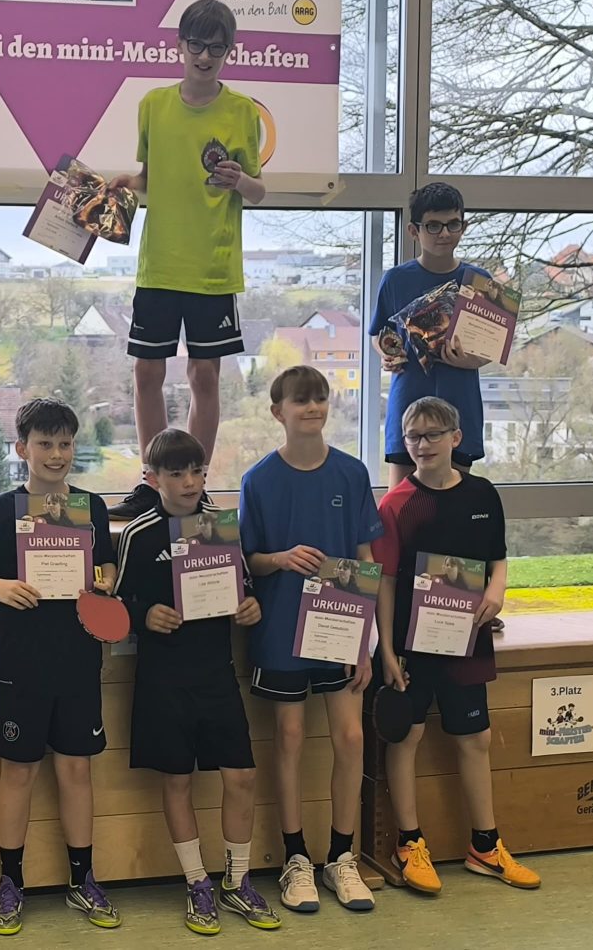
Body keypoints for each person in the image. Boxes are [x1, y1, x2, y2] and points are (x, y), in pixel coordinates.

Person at [0, 398, 121, 936]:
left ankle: (82, 879)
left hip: (78, 662)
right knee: (18, 771)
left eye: (65, 443)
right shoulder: (3, 509)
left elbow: (107, 566)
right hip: (20, 666)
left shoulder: (91, 507)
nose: (56, 454)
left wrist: (105, 582)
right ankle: (11, 882)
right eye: (45, 444)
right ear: (23, 448)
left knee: (76, 770)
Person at [114, 428, 280, 934]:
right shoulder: (139, 534)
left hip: (216, 675)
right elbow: (116, 605)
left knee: (242, 776)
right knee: (177, 780)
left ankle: (237, 881)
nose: (189, 482)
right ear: (152, 479)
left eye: (197, 471)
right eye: (177, 473)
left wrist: (250, 609)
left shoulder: (219, 527)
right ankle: (196, 884)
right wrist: (145, 615)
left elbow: (243, 590)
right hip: (163, 680)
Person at [372, 397, 540, 894]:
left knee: (476, 738)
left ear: (456, 438)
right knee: (406, 738)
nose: (422, 445)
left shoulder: (483, 494)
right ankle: (408, 843)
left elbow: (497, 557)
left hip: (466, 637)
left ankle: (485, 846)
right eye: (413, 437)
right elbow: (384, 582)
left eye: (433, 435)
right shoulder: (396, 505)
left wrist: (497, 590)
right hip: (411, 644)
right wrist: (387, 650)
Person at [108, 0, 266, 521]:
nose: (204, 55)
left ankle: (195, 485)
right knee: (146, 373)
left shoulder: (242, 111)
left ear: (229, 51)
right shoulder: (153, 104)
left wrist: (240, 180)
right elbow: (150, 179)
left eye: (216, 47)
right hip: (159, 263)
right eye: (196, 44)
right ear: (179, 45)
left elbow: (258, 190)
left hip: (213, 268)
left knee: (205, 377)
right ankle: (152, 483)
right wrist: (125, 184)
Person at [239, 366, 382, 913]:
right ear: (278, 411)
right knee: (291, 736)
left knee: (351, 738)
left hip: (340, 627)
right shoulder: (258, 479)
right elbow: (249, 559)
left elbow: (366, 558)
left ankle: (342, 858)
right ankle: (295, 859)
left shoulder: (351, 472)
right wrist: (281, 558)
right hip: (280, 631)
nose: (313, 408)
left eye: (320, 398)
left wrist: (367, 640)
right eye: (301, 400)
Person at [369, 183, 489, 493]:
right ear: (414, 230)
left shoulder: (480, 281)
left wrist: (469, 361)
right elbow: (379, 334)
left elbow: (490, 348)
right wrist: (387, 354)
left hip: (460, 400)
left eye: (453, 224)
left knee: (456, 502)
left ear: (464, 226)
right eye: (434, 225)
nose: (444, 233)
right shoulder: (395, 279)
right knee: (403, 503)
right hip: (408, 398)